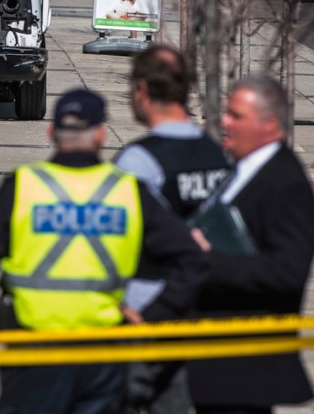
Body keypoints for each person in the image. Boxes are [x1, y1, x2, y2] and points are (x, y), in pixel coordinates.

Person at [0, 88, 210, 414]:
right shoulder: (127, 191)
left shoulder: (23, 186)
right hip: (102, 356)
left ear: (52, 133)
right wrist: (151, 316)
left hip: (33, 352)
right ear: (102, 134)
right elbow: (192, 260)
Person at [186, 76, 314, 413]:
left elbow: (288, 270)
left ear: (269, 124)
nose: (224, 122)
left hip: (243, 367)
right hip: (215, 360)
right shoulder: (242, 169)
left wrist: (207, 260)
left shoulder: (285, 182)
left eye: (236, 116)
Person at [112, 45, 231, 413]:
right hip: (200, 309)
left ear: (143, 90)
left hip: (144, 311)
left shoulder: (138, 160)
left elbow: (115, 239)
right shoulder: (217, 156)